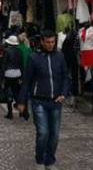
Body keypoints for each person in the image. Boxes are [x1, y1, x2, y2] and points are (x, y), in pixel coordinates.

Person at [18, 30, 71, 170]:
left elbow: (66, 77)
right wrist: (21, 101)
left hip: (56, 101)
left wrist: (64, 94)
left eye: (53, 42)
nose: (50, 45)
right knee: (43, 133)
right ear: (42, 42)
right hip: (38, 101)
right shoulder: (34, 57)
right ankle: (40, 160)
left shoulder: (59, 56)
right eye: (47, 42)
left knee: (54, 134)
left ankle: (50, 161)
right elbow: (26, 81)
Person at [2, 35, 25, 120]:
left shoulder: (6, 51)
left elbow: (4, 64)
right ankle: (21, 112)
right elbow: (21, 64)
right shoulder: (19, 51)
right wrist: (22, 76)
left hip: (8, 73)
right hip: (17, 73)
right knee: (16, 93)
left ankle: (10, 113)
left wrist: (2, 77)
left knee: (8, 92)